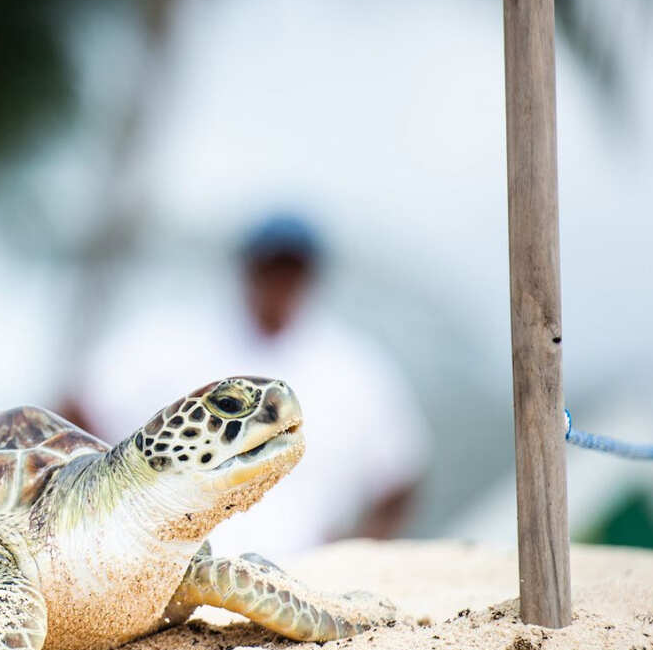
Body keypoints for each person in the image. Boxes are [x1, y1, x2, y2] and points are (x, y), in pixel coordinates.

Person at [72, 212, 430, 557]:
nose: (279, 284)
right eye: (270, 269)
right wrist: (113, 510)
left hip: (299, 567)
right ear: (247, 268)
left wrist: (355, 555)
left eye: (291, 272)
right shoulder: (172, 339)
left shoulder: (352, 368)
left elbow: (401, 472)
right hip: (169, 556)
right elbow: (78, 407)